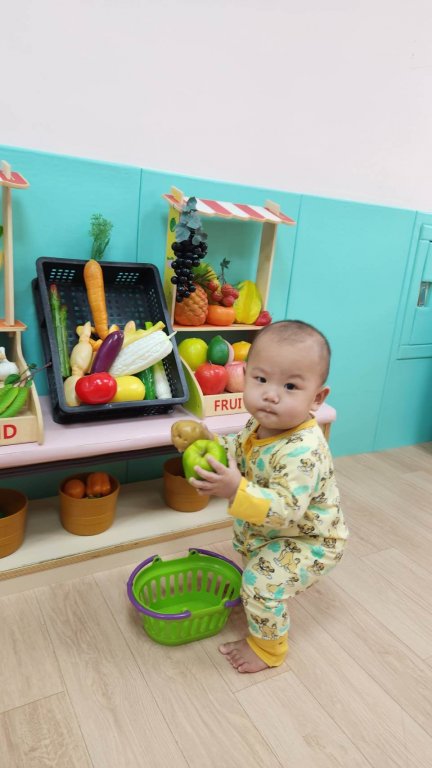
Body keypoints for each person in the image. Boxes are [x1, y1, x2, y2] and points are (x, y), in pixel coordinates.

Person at [171, 320, 348, 673]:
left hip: (311, 540)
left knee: (261, 585)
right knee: (254, 560)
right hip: (273, 532)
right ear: (245, 376)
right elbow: (238, 449)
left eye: (290, 386)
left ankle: (268, 649)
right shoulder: (260, 424)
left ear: (317, 398)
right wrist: (207, 442)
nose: (271, 394)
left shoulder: (303, 451)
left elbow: (285, 511)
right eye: (261, 379)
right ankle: (261, 601)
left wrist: (233, 488)